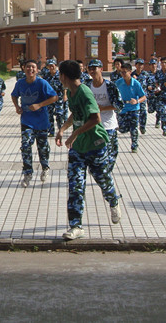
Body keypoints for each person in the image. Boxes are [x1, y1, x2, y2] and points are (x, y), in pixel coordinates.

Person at [55, 60, 122, 241]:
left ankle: (114, 200)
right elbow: (75, 114)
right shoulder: (71, 92)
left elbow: (96, 119)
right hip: (78, 149)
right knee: (76, 186)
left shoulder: (85, 92)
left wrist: (74, 133)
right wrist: (63, 129)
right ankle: (76, 226)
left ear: (64, 76)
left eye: (59, 74)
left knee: (103, 181)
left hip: (95, 145)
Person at [11, 59, 58, 186]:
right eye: (28, 67)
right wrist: (17, 106)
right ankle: (27, 173)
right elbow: (14, 95)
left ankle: (45, 167)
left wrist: (40, 105)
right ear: (23, 68)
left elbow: (54, 97)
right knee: (25, 145)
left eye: (33, 67)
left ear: (37, 70)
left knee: (42, 147)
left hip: (41, 121)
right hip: (27, 120)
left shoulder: (42, 83)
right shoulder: (20, 83)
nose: (30, 69)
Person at [86, 59, 122, 169]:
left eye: (94, 68)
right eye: (90, 69)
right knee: (95, 152)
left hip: (108, 125)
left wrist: (103, 108)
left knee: (111, 152)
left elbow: (119, 105)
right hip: (92, 126)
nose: (92, 71)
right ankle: (100, 172)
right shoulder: (86, 86)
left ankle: (106, 173)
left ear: (101, 69)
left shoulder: (110, 86)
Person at [114, 62, 147, 153]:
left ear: (130, 72)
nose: (123, 74)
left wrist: (137, 101)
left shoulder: (136, 83)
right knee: (122, 128)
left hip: (133, 108)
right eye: (121, 72)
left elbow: (143, 96)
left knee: (134, 128)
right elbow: (113, 93)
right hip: (122, 109)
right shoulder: (118, 83)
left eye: (125, 72)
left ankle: (134, 145)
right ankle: (127, 127)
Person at [44, 59, 67, 136]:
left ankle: (61, 130)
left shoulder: (60, 75)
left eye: (52, 66)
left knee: (59, 114)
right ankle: (51, 131)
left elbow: (64, 86)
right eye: (49, 66)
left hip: (58, 97)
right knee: (49, 115)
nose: (51, 67)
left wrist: (65, 95)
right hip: (49, 98)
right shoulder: (46, 76)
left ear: (55, 66)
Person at [131, 58, 149, 134]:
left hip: (142, 97)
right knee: (135, 113)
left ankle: (142, 126)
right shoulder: (131, 75)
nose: (140, 66)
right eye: (138, 64)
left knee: (143, 112)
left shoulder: (146, 74)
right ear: (135, 65)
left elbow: (150, 83)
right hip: (134, 97)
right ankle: (134, 127)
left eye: (141, 65)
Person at [145, 59, 161, 129]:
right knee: (151, 110)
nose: (153, 66)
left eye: (154, 64)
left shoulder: (160, 73)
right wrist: (148, 87)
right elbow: (144, 83)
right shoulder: (147, 74)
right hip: (150, 95)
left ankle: (158, 121)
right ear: (149, 66)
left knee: (159, 108)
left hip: (159, 94)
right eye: (152, 64)